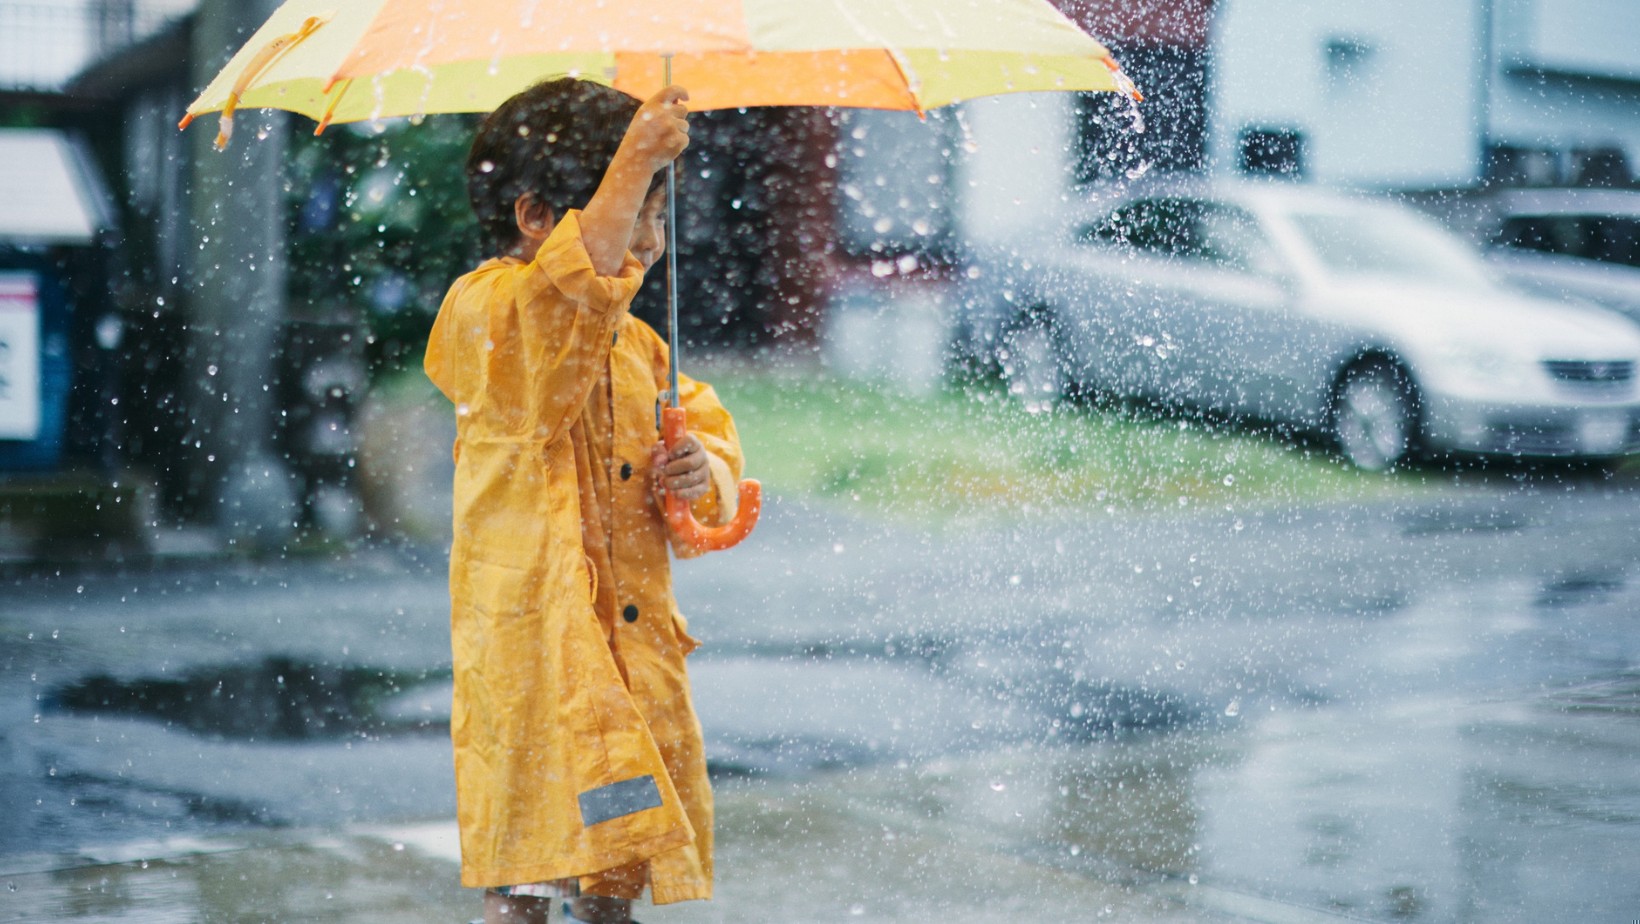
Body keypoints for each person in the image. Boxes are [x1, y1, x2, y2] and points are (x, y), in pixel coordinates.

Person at [424, 77, 746, 924]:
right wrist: (637, 153)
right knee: (529, 868)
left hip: (623, 657)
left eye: (659, 214)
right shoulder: (486, 309)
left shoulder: (635, 340)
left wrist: (697, 466)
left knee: (614, 858)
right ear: (535, 218)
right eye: (637, 207)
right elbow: (563, 304)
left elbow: (712, 436)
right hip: (536, 654)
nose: (652, 237)